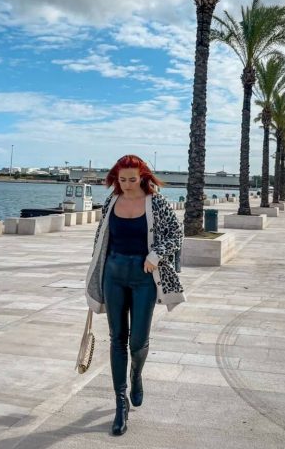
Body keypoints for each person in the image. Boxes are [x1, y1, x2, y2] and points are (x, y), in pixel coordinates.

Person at [85, 155, 186, 436]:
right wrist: (94, 277)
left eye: (132, 179)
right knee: (117, 340)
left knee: (138, 340)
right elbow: (100, 239)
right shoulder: (111, 202)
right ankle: (120, 403)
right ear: (115, 178)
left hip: (144, 279)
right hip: (113, 276)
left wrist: (155, 255)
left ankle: (136, 374)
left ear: (143, 176)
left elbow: (176, 235)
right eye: (122, 179)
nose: (127, 185)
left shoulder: (157, 203)